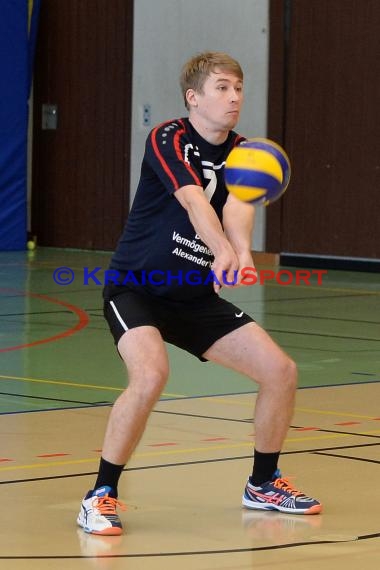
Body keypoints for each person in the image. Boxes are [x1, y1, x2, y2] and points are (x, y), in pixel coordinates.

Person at [77, 51, 322, 536]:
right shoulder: (167, 138)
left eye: (238, 89)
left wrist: (243, 256)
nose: (234, 98)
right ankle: (100, 495)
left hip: (192, 297)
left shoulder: (247, 150)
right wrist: (219, 249)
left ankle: (263, 482)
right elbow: (192, 199)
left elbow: (237, 209)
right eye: (222, 88)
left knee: (281, 372)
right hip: (136, 289)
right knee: (151, 375)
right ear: (194, 97)